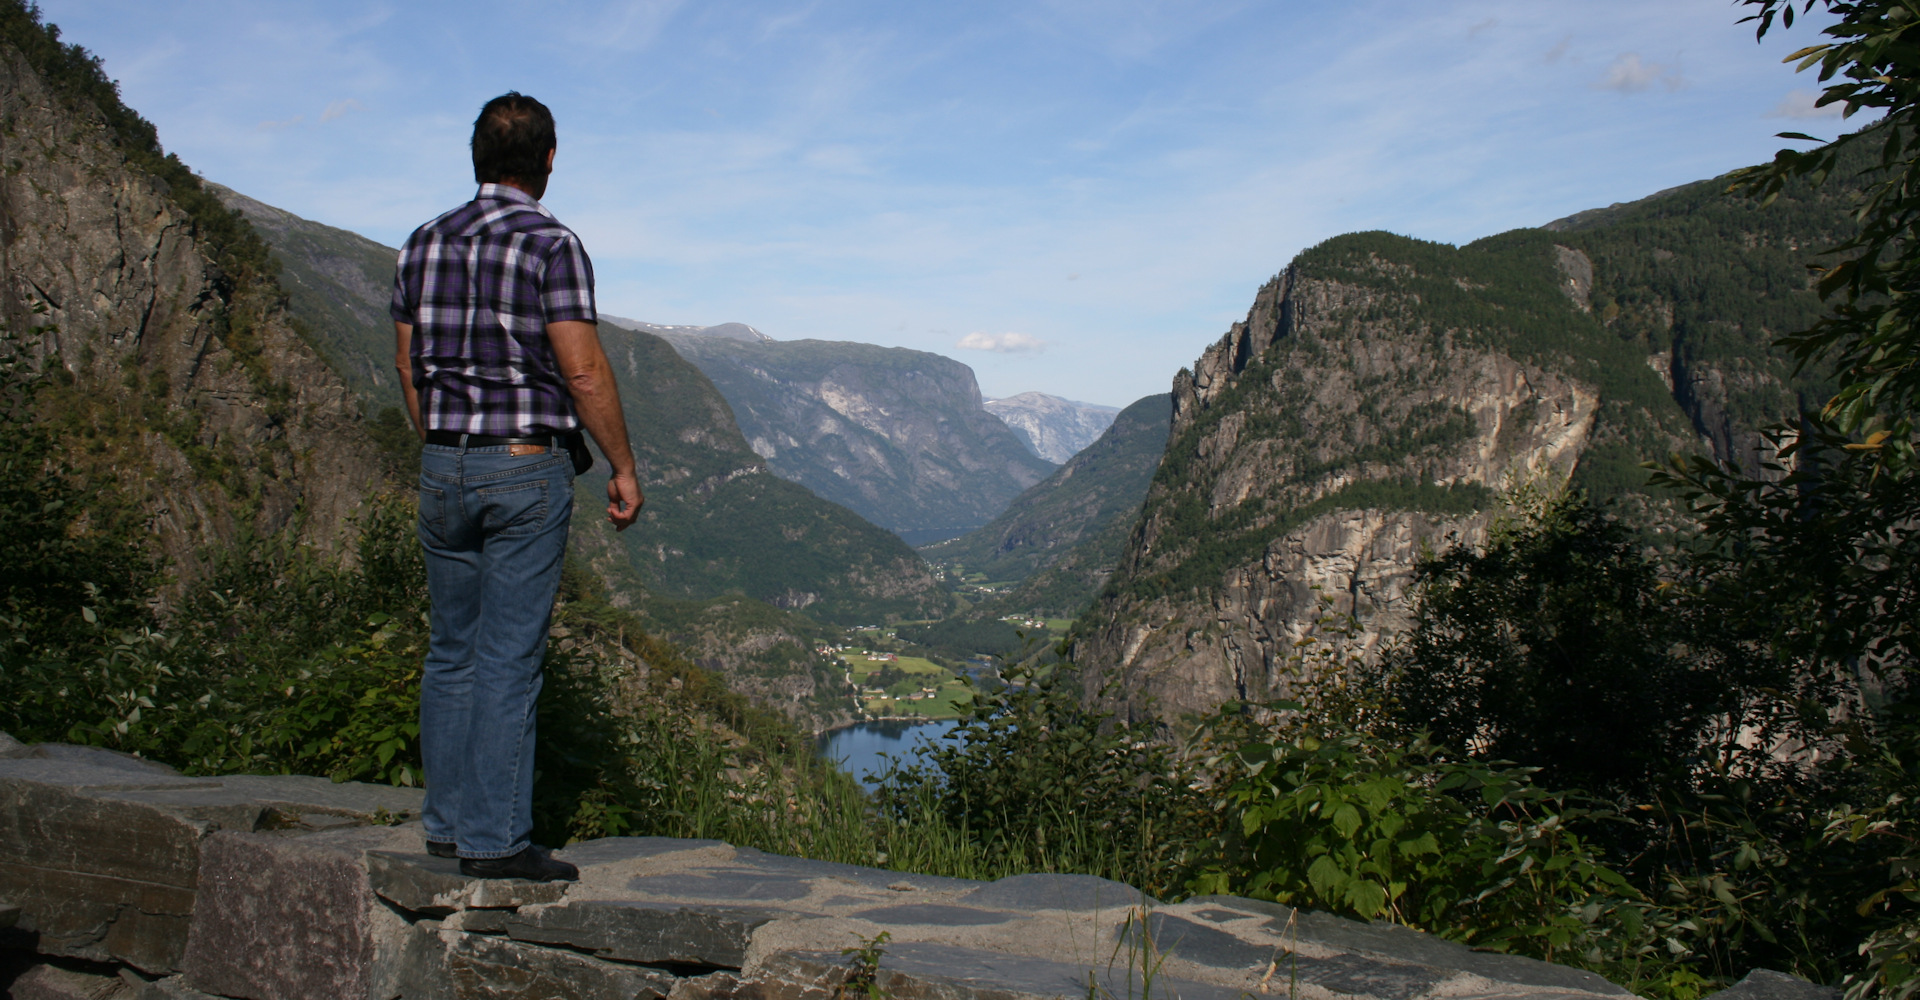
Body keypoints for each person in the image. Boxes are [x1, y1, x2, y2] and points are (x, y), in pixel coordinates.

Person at [390, 91, 644, 882]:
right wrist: (622, 466)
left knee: (451, 650)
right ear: (550, 159)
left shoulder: (422, 242)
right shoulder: (551, 245)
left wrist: (438, 442)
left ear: (476, 156)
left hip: (443, 462)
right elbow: (582, 369)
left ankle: (445, 827)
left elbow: (405, 363)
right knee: (508, 658)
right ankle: (495, 841)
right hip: (525, 462)